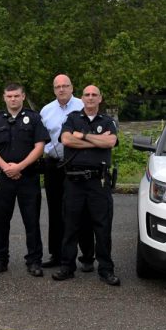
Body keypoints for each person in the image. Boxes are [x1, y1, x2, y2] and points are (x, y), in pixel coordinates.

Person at [52, 85, 120, 286]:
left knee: (102, 226)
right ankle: (67, 266)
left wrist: (82, 136)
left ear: (100, 98)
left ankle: (106, 270)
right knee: (70, 226)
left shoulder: (108, 121)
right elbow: (65, 139)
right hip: (74, 181)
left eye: (94, 95)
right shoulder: (72, 118)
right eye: (87, 95)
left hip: (98, 182)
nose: (90, 98)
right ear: (82, 98)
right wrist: (96, 140)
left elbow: (110, 142)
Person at [0, 82, 50, 277]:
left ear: (23, 96)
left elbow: (39, 146)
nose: (13, 99)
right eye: (9, 96)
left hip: (28, 177)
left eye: (16, 96)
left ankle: (34, 261)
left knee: (32, 222)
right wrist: (6, 167)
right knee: (1, 221)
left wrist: (20, 167)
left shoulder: (34, 118)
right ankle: (0, 261)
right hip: (3, 178)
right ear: (4, 98)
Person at [39, 74, 95, 270]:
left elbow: (92, 136)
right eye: (57, 86)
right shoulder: (46, 110)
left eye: (65, 86)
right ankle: (57, 255)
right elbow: (41, 139)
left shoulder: (83, 106)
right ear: (54, 90)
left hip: (78, 164)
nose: (61, 89)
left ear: (72, 87)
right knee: (55, 212)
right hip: (53, 165)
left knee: (82, 212)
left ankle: (87, 256)